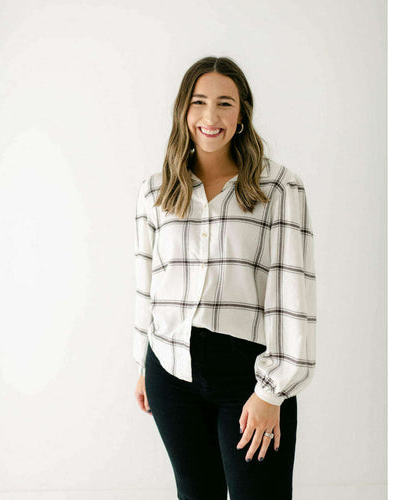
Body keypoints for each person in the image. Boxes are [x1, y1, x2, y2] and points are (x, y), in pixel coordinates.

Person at [133, 56, 317, 500]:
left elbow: (292, 293)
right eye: (199, 102)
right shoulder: (156, 191)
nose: (210, 116)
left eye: (224, 103)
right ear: (184, 110)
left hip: (249, 376)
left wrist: (273, 391)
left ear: (242, 114)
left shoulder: (279, 189)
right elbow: (147, 285)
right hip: (170, 370)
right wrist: (143, 364)